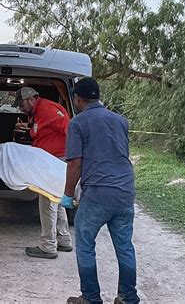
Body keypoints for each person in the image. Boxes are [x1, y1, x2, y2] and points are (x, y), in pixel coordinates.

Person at [60, 78, 139, 304]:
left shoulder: (78, 123)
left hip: (98, 193)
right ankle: (128, 298)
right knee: (124, 246)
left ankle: (91, 298)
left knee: (85, 245)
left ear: (78, 99)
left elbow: (75, 163)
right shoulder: (120, 121)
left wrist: (67, 194)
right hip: (125, 191)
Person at [11, 87, 73, 259]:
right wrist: (28, 128)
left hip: (55, 160)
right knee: (57, 200)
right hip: (51, 160)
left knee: (47, 203)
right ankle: (64, 239)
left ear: (31, 99)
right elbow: (41, 132)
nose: (20, 108)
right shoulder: (38, 112)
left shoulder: (48, 110)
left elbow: (69, 130)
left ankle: (48, 246)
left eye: (21, 104)